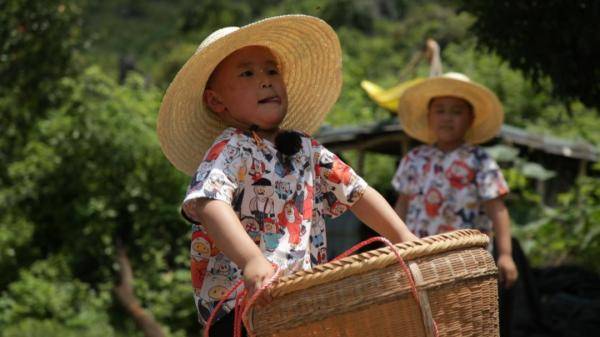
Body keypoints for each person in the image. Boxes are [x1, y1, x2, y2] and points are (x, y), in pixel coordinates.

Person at [157, 15, 417, 336]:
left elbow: (356, 192)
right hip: (240, 304)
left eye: (271, 70)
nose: (265, 80)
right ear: (216, 100)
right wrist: (251, 260)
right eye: (247, 73)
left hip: (298, 297)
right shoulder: (232, 148)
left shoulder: (305, 147)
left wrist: (404, 238)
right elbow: (210, 203)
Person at [391, 72, 518, 290]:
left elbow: (497, 209)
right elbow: (402, 205)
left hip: (467, 262)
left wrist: (505, 254)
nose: (447, 117)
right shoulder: (414, 159)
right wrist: (391, 247)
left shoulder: (479, 160)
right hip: (417, 259)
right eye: (440, 111)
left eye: (456, 112)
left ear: (471, 119)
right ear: (429, 117)